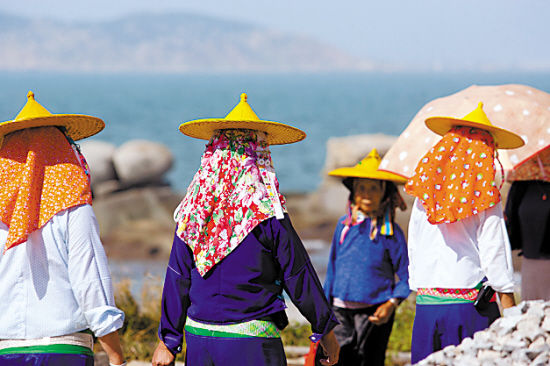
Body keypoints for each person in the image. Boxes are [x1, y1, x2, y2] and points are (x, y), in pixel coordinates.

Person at [152, 93, 340, 366]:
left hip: (199, 339)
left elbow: (177, 277)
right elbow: (299, 275)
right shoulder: (268, 215)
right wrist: (325, 329)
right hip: (251, 343)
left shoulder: (193, 212)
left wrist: (167, 341)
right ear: (258, 153)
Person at [0, 92, 126, 365]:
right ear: (64, 152)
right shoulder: (75, 210)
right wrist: (117, 357)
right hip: (64, 350)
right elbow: (91, 285)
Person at [405, 102, 523, 363]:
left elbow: (414, 244)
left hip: (426, 308)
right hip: (469, 310)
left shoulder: (425, 195)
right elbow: (495, 254)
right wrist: (512, 316)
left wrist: (419, 288)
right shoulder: (486, 198)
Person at [318, 148, 410, 366]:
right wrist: (322, 309)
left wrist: (391, 303)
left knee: (369, 361)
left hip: (374, 314)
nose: (366, 194)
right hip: (339, 311)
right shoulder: (344, 226)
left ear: (385, 193)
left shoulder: (391, 233)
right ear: (353, 193)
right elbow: (332, 269)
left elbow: (407, 275)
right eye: (361, 188)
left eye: (373, 188)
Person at [505, 177, 550, 301]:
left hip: (531, 264)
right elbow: (511, 226)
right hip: (531, 265)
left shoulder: (523, 184)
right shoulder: (522, 184)